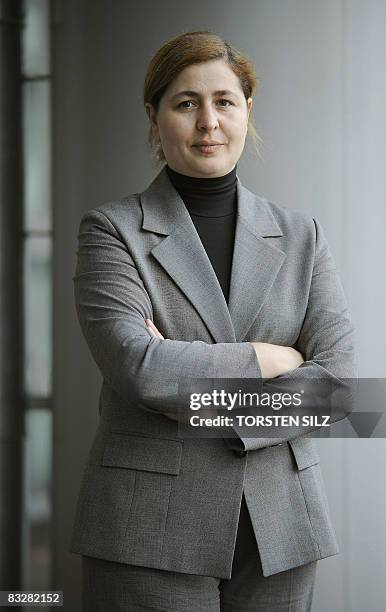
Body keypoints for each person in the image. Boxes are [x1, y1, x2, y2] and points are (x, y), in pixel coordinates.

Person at [70, 30, 356, 611]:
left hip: (281, 527)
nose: (208, 122)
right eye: (185, 103)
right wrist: (269, 360)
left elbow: (336, 388)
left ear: (247, 111)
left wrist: (190, 383)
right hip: (148, 527)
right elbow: (141, 368)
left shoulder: (304, 236)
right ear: (154, 117)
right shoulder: (111, 231)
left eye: (224, 101)